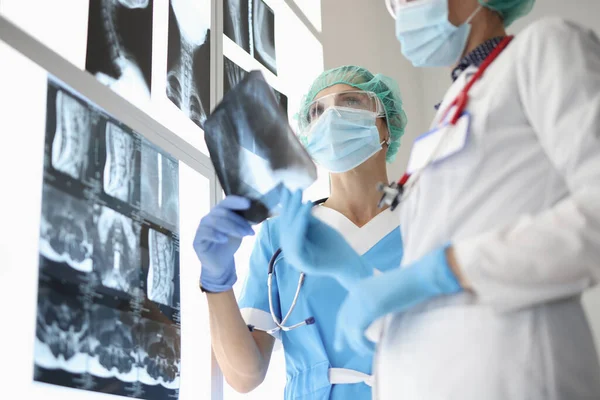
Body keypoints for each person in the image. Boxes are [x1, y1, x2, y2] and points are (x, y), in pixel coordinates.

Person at [278, 0, 600, 398]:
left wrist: (439, 270)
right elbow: (430, 302)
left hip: (519, 376)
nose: (402, 12)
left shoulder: (544, 48)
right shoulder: (449, 116)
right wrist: (353, 273)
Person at [193, 65, 408, 399]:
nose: (331, 117)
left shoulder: (424, 219)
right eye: (317, 111)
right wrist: (216, 280)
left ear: (387, 126)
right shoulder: (283, 232)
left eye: (351, 102)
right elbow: (245, 376)